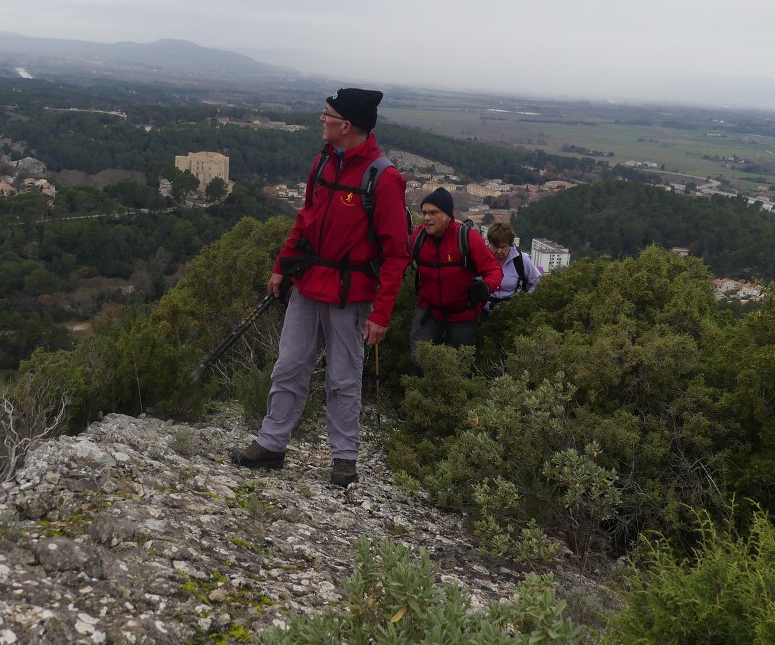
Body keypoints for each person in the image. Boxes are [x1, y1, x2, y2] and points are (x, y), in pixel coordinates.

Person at [230, 88, 410, 487]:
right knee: (290, 365)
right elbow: (305, 221)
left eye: (326, 115)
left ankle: (344, 459)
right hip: (309, 283)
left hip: (351, 293)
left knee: (344, 377)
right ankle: (272, 444)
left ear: (345, 125)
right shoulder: (323, 164)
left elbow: (397, 254)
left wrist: (381, 314)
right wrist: (281, 267)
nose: (321, 120)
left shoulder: (384, 179)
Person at [408, 187, 502, 370]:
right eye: (424, 212)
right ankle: (422, 395)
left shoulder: (467, 237)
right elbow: (397, 262)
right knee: (418, 360)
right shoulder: (418, 237)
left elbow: (494, 270)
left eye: (433, 212)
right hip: (429, 311)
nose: (426, 217)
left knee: (459, 366)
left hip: (462, 313)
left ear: (448, 216)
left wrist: (486, 287)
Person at [483, 222, 542, 318]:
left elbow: (538, 281)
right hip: (485, 310)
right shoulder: (482, 258)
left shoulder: (521, 259)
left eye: (503, 247)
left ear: (510, 245)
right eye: (495, 246)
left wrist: (525, 300)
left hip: (514, 311)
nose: (499, 251)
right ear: (489, 243)